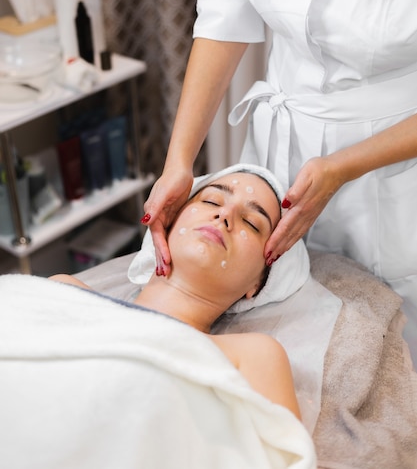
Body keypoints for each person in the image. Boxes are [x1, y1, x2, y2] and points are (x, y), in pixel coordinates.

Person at [140, 0, 417, 367]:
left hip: (395, 169)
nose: (221, 215)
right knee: (271, 318)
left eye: (226, 210)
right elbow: (227, 9)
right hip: (276, 153)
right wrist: (180, 163)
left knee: (383, 357)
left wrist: (343, 166)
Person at [51, 166, 301, 418]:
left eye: (251, 223)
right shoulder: (65, 294)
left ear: (257, 284)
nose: (225, 214)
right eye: (211, 201)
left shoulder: (254, 356)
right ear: (167, 223)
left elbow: (283, 454)